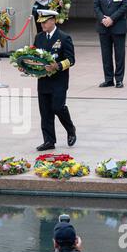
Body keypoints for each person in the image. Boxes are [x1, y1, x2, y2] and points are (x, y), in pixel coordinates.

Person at [30, 10, 76, 152]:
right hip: (43, 80)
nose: (42, 25)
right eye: (41, 22)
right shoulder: (39, 38)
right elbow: (34, 57)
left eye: (44, 22)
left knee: (57, 107)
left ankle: (70, 128)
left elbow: (71, 60)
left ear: (53, 21)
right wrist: (27, 66)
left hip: (59, 81)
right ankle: (49, 140)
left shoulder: (64, 37)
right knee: (45, 111)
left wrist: (58, 65)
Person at [94, 0, 127, 89]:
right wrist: (102, 18)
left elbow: (125, 6)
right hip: (103, 26)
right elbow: (96, 5)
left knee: (119, 55)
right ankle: (108, 79)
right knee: (106, 54)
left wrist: (112, 19)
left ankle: (119, 79)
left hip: (118, 26)